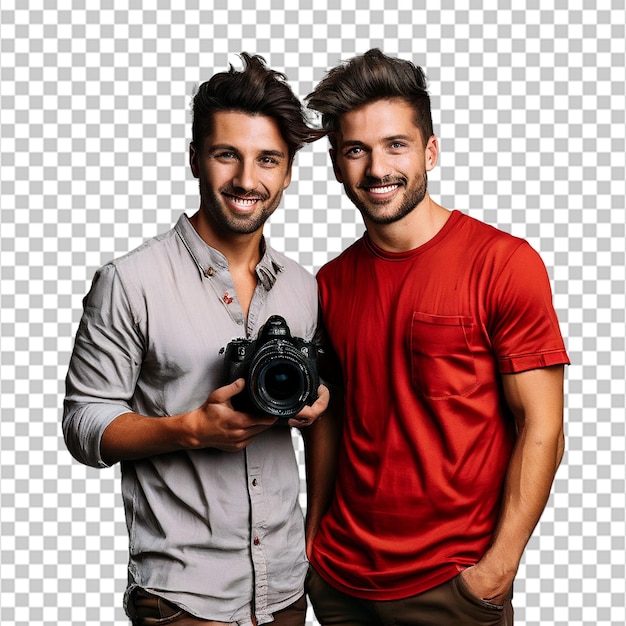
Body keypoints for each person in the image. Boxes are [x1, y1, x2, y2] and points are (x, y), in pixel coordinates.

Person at [303, 49, 569, 625]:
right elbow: (331, 415)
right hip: (340, 581)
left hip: (453, 586)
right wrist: (313, 538)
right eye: (356, 150)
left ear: (430, 150)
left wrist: (495, 572)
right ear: (336, 164)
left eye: (396, 145)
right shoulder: (327, 284)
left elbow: (542, 426)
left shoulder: (505, 264)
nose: (377, 169)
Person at [63, 53, 329, 626]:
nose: (245, 180)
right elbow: (83, 425)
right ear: (195, 160)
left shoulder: (305, 288)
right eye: (226, 154)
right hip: (183, 599)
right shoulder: (130, 281)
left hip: (286, 592)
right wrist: (190, 430)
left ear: (287, 174)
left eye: (267, 160)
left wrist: (315, 401)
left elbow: (311, 401)